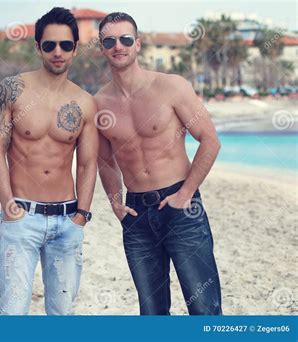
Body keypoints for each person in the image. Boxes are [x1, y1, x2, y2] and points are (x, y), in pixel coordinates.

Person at [95, 12, 222, 315]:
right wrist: (115, 203)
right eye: (109, 41)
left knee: (204, 307)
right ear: (101, 48)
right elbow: (104, 160)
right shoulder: (98, 103)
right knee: (152, 312)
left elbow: (209, 140)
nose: (118, 46)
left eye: (126, 39)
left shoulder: (171, 87)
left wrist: (186, 192)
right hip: (136, 215)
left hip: (181, 208)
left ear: (137, 44)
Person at [0, 7, 98, 315]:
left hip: (67, 219)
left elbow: (89, 163)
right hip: (22, 216)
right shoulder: (11, 90)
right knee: (13, 311)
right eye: (49, 45)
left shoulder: (85, 102)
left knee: (62, 314)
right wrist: (8, 205)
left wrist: (82, 215)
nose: (57, 52)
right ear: (38, 48)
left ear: (75, 48)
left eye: (65, 45)